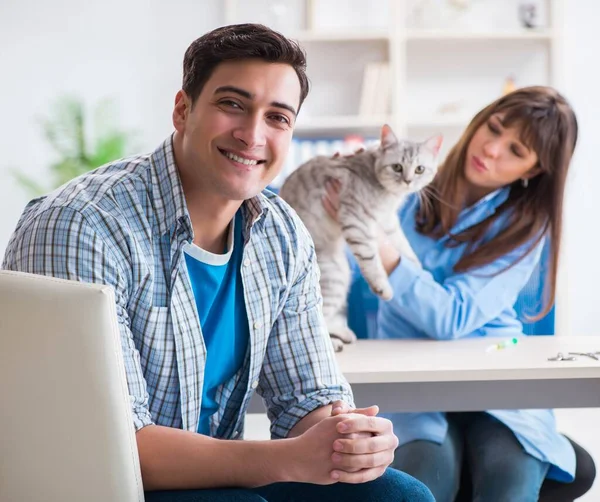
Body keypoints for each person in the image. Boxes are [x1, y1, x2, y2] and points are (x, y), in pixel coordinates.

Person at [1, 24, 435, 502]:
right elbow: (107, 445)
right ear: (183, 110)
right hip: (104, 484)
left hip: (218, 472)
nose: (253, 135)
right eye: (233, 104)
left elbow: (308, 399)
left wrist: (347, 440)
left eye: (277, 118)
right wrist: (288, 458)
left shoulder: (282, 232)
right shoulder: (81, 226)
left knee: (397, 496)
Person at [323, 86, 595, 501]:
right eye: (494, 127)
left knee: (509, 478)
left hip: (495, 379)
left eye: (515, 150)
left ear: (533, 171)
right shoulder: (399, 179)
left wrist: (378, 243)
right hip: (405, 378)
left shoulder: (526, 226)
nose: (491, 148)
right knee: (422, 481)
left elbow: (451, 317)